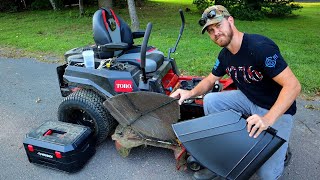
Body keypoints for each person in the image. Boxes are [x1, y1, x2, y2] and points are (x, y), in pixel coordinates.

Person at [170, 5, 301, 180]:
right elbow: (210, 80)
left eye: (218, 25)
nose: (215, 32)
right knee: (211, 100)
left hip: (276, 109)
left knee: (267, 175)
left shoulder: (260, 47)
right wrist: (189, 93)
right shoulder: (225, 55)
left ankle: (280, 151)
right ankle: (229, 147)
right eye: (210, 30)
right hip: (249, 99)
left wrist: (267, 119)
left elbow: (293, 86)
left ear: (230, 21)